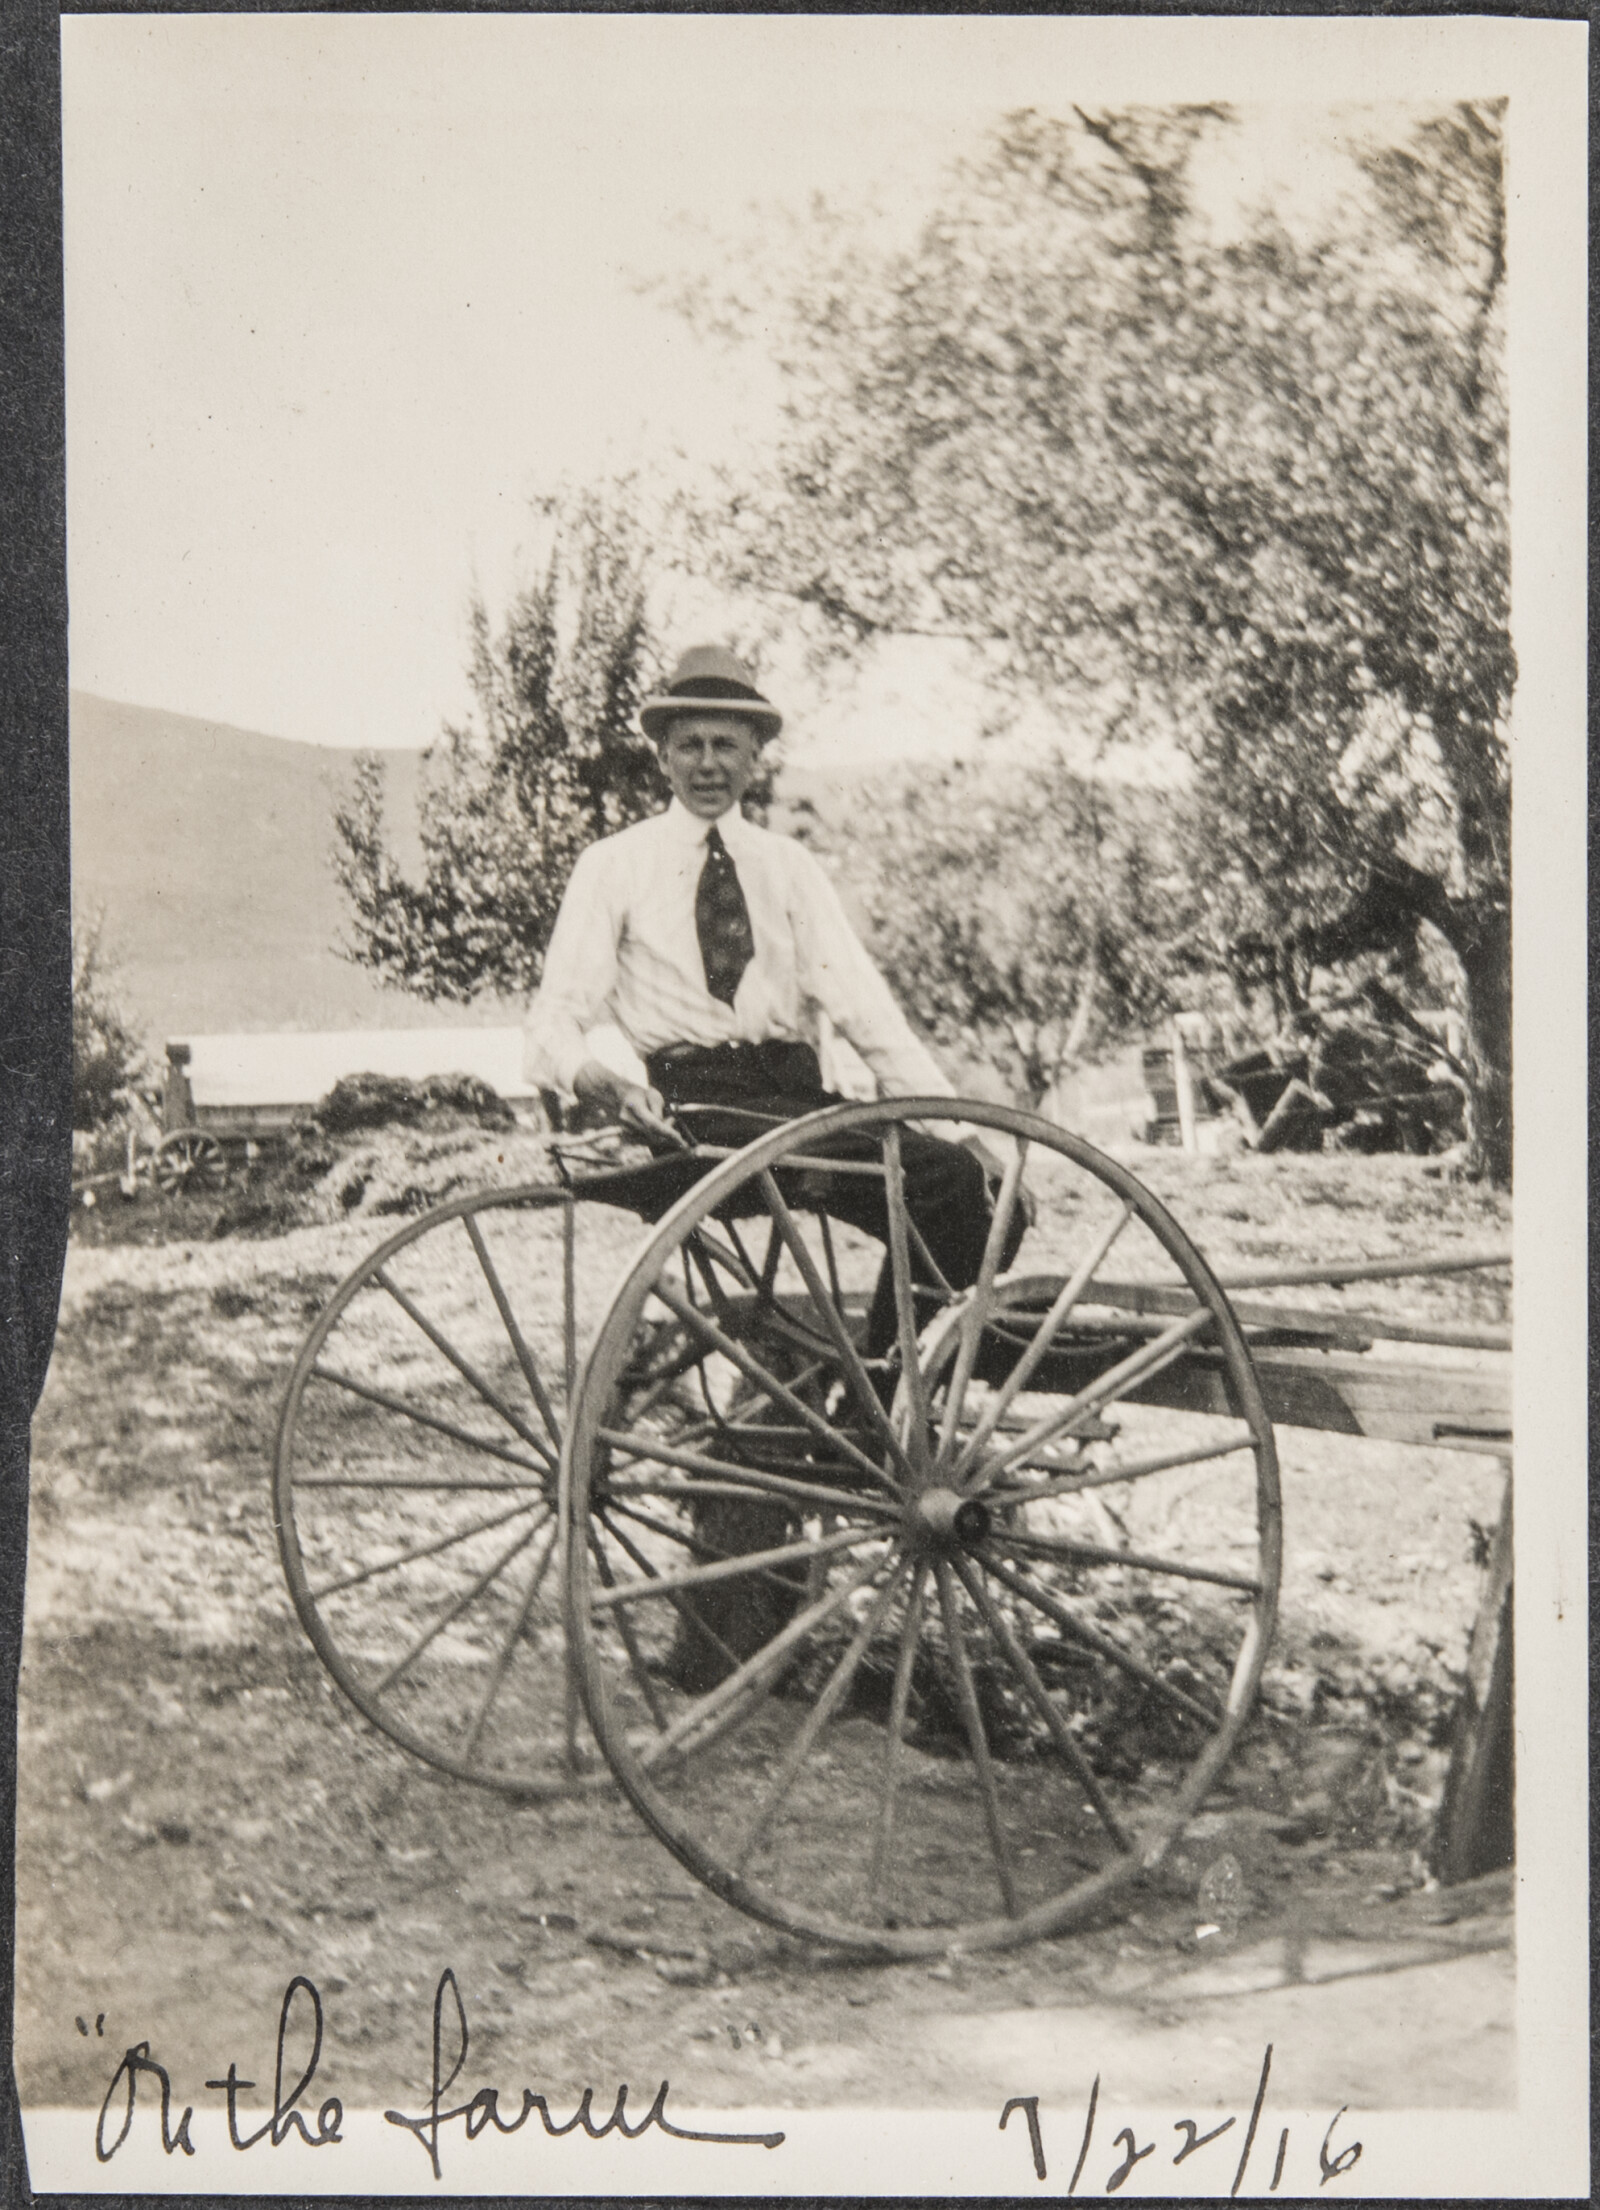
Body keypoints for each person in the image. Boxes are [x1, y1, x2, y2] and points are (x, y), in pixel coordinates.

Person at [526, 644, 1026, 1685]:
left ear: (757, 756)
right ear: (661, 755)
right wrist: (601, 1082)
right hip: (693, 1105)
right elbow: (553, 1019)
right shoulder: (611, 866)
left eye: (729, 744)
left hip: (798, 1099)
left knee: (976, 1196)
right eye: (690, 744)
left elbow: (861, 1005)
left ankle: (872, 1394)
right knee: (921, 1180)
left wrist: (956, 1118)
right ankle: (859, 1420)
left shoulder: (789, 870)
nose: (709, 762)